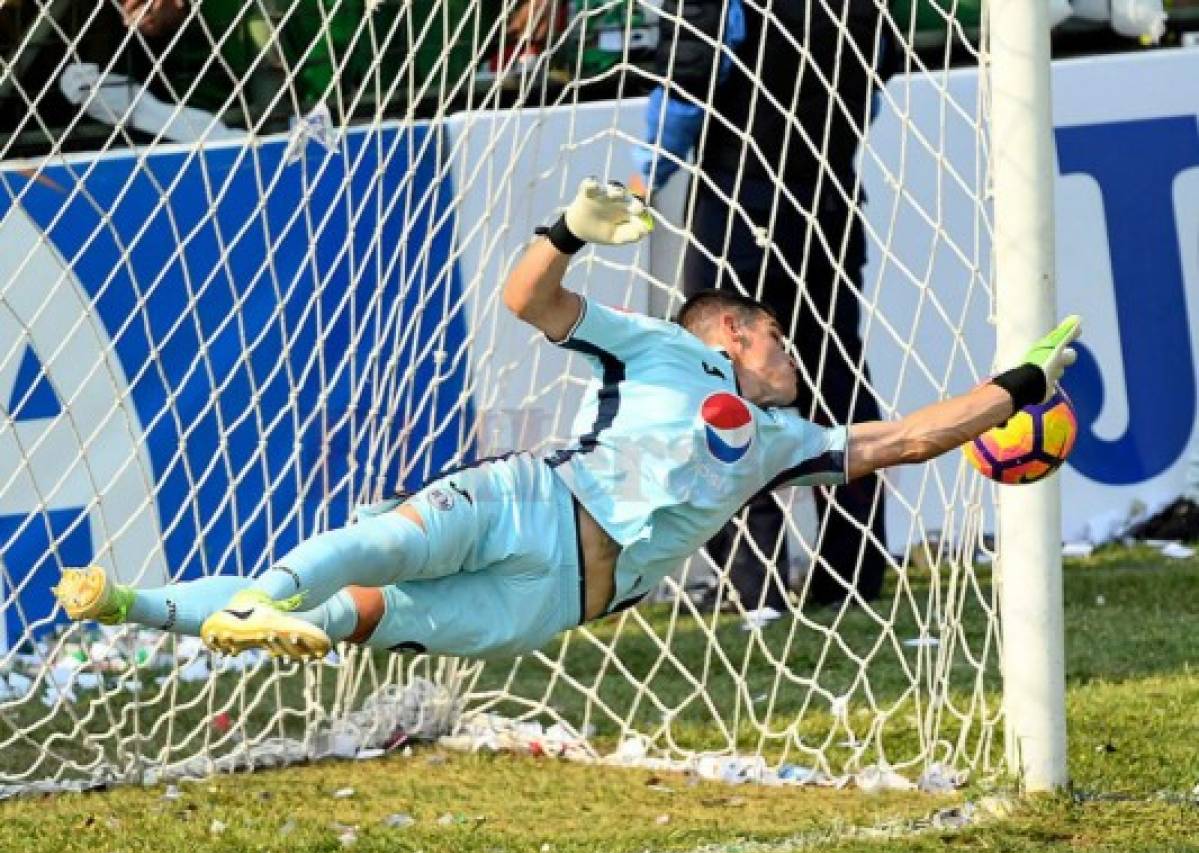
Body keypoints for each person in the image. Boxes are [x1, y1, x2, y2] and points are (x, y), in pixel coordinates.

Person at [53, 180, 1080, 661]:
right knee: (370, 545)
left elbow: (903, 438)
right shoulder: (659, 347)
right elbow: (528, 302)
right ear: (729, 330)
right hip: (522, 501)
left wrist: (1020, 386)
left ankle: (130, 606)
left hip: (555, 604)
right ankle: (245, 603)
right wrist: (568, 232)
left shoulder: (785, 448)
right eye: (776, 338)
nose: (792, 355)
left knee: (354, 619)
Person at [632, 0, 889, 612]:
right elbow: (872, 86)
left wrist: (645, 177)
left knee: (720, 390)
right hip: (828, 202)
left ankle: (756, 583)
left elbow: (685, 81)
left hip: (740, 204)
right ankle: (850, 576)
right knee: (836, 383)